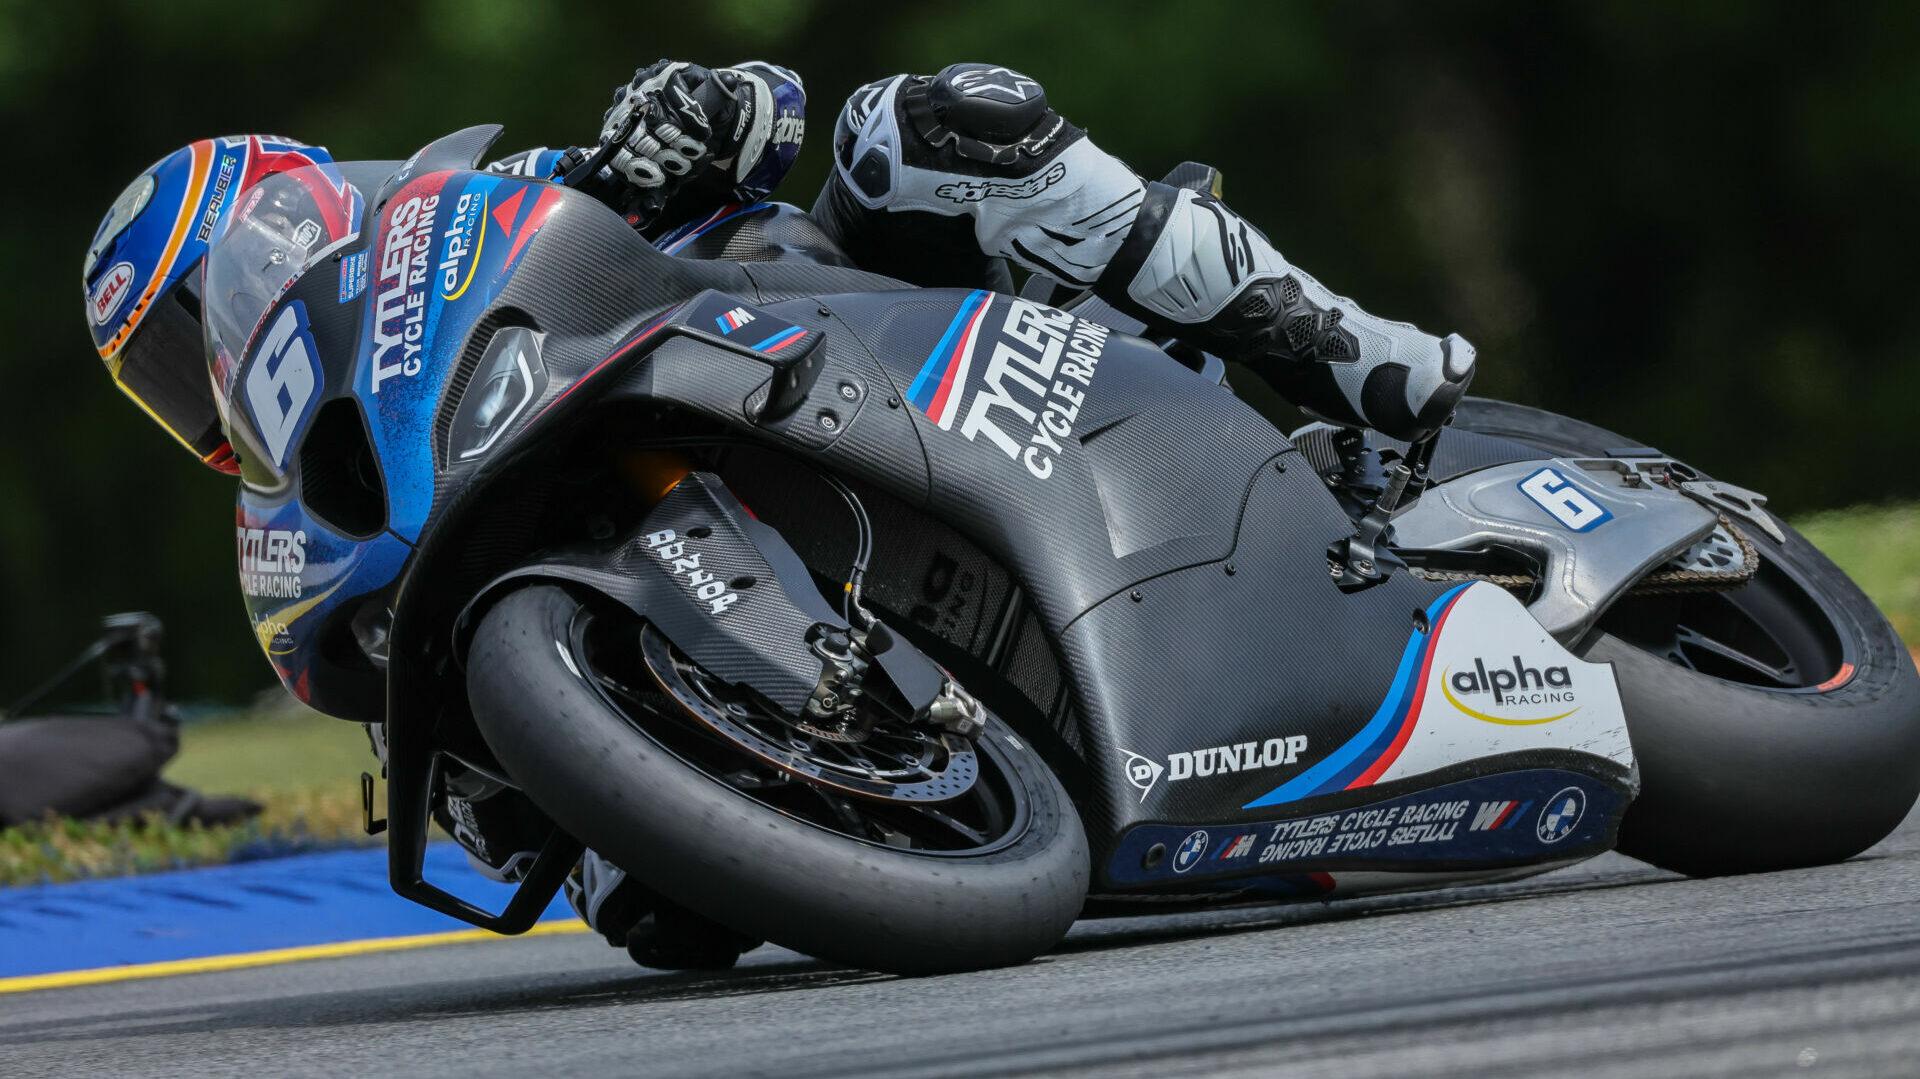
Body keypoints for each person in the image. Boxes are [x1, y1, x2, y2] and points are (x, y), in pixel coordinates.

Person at [80, 58, 1475, 969]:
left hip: (885, 346)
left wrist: (694, 114)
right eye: (157, 375)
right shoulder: (306, 529)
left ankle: (1364, 359)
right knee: (647, 919)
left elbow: (768, 106)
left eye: (198, 313)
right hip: (896, 685)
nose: (194, 377)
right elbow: (499, 823)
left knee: (924, 126)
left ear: (290, 207)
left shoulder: (491, 210)